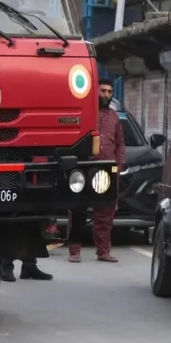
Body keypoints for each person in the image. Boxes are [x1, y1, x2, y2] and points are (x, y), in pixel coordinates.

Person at [67, 77, 124, 263]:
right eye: (102, 91)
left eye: (109, 92)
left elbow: (120, 144)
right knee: (78, 211)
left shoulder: (115, 117)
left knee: (105, 214)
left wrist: (118, 166)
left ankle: (103, 252)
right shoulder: (85, 113)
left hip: (106, 170)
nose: (106, 95)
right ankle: (74, 251)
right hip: (84, 169)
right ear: (95, 92)